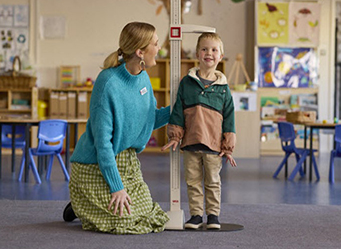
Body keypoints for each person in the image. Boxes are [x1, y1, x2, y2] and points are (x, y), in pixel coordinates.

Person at [63, 21, 170, 235]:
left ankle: (83, 204)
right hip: (96, 164)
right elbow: (103, 145)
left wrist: (179, 109)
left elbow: (149, 120)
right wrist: (117, 188)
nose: (159, 49)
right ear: (140, 51)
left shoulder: (143, 78)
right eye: (156, 44)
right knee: (126, 221)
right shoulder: (107, 83)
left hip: (128, 162)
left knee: (148, 215)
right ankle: (81, 201)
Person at [162, 32, 237, 230]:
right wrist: (175, 135)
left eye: (214, 50)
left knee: (212, 181)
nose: (208, 53)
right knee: (193, 181)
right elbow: (178, 109)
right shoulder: (187, 83)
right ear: (197, 53)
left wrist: (228, 146)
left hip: (213, 144)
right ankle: (196, 215)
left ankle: (213, 215)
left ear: (220, 56)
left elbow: (229, 118)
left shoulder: (223, 88)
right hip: (190, 142)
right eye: (204, 49)